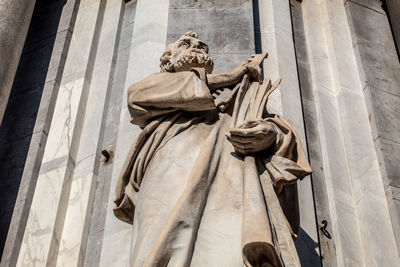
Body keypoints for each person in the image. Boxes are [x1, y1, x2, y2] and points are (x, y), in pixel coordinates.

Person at [114, 32, 311, 267]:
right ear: (168, 61)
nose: (197, 47)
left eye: (202, 46)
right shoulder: (155, 90)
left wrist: (270, 136)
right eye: (186, 44)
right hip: (167, 179)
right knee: (157, 252)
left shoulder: (240, 99)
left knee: (226, 254)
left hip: (229, 182)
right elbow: (137, 95)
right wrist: (229, 76)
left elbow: (281, 137)